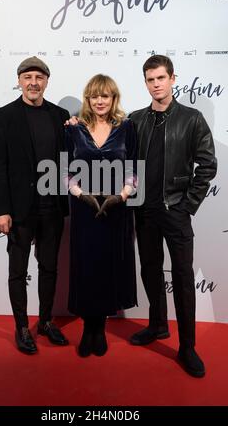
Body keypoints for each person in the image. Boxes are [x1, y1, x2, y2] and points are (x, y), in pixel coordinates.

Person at [129, 55, 217, 377]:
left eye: (161, 78)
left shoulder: (192, 119)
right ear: (146, 83)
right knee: (150, 271)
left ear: (173, 79)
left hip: (175, 211)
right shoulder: (136, 120)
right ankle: (157, 326)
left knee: (181, 277)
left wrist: (187, 205)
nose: (156, 84)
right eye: (151, 80)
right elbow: (118, 156)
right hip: (145, 212)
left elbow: (207, 165)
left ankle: (188, 347)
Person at [0, 56, 70, 354]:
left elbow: (70, 162)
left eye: (39, 76)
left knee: (49, 268)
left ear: (47, 81)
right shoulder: (2, 116)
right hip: (19, 210)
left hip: (52, 208)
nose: (34, 82)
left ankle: (46, 321)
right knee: (18, 271)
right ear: (19, 80)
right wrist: (0, 210)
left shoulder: (60, 116)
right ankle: (22, 327)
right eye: (28, 76)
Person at [65, 74, 138, 357]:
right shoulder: (75, 129)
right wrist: (80, 194)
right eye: (94, 96)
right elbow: (65, 170)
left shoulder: (126, 127)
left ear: (113, 99)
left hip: (115, 210)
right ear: (88, 99)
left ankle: (101, 328)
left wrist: (120, 196)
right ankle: (88, 329)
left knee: (108, 267)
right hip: (83, 211)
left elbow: (133, 168)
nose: (99, 101)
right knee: (87, 267)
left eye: (105, 96)